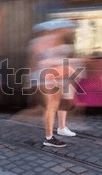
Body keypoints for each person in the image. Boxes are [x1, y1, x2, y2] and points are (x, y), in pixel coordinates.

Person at [29, 19, 78, 148]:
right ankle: (49, 137)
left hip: (55, 76)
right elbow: (42, 62)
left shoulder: (55, 40)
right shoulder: (40, 43)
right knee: (51, 106)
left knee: (58, 103)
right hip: (47, 77)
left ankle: (60, 128)